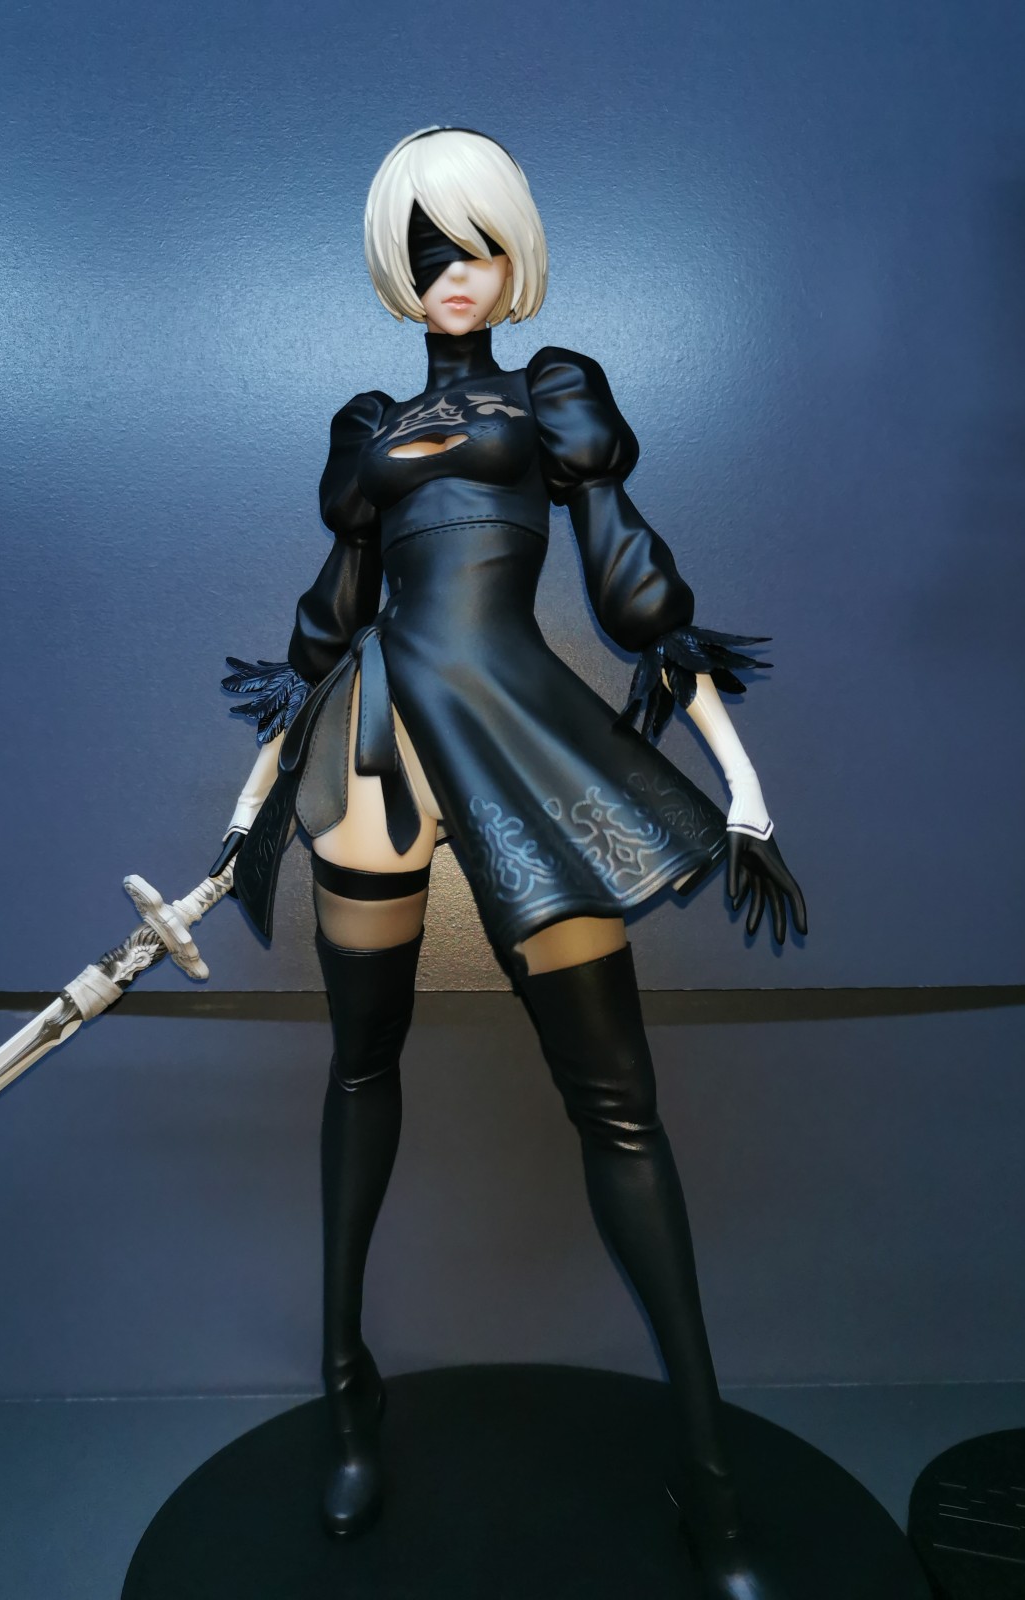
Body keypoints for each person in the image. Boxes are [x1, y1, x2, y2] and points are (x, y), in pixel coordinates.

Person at [211, 126, 807, 1580]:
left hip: (517, 729)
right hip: (373, 745)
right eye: (423, 251)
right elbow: (328, 617)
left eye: (471, 243)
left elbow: (633, 584)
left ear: (511, 248)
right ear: (396, 270)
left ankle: (707, 1473)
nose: (451, 273)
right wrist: (243, 812)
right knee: (361, 1066)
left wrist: (740, 782)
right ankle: (347, 1390)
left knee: (619, 1106)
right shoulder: (366, 426)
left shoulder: (555, 394)